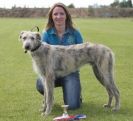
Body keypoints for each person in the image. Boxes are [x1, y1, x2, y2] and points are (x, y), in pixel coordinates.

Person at [36, 2, 83, 110]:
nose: (58, 16)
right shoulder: (46, 33)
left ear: (66, 15)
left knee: (73, 105)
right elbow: (42, 55)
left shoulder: (75, 33)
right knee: (40, 84)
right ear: (51, 17)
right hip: (52, 73)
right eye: (55, 14)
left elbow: (81, 54)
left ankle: (75, 92)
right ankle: (48, 99)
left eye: (62, 13)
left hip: (70, 72)